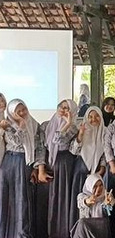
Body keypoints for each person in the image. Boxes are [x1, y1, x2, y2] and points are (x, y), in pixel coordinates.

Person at [0, 99, 51, 238]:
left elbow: (39, 148)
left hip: (24, 163)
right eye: (18, 111)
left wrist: (37, 167)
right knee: (6, 199)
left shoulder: (34, 124)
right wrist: (21, 125)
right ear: (12, 112)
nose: (22, 113)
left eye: (24, 109)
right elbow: (16, 141)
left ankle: (22, 234)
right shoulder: (7, 124)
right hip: (9, 163)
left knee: (23, 199)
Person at [41, 99, 79, 238]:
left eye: (67, 109)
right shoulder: (46, 124)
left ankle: (60, 231)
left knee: (61, 196)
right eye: (62, 107)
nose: (63, 110)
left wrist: (67, 123)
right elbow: (43, 145)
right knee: (49, 196)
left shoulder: (73, 127)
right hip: (49, 161)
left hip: (64, 162)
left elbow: (57, 140)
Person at [69, 106, 107, 230]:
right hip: (81, 170)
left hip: (96, 173)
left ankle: (94, 229)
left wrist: (102, 168)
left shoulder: (105, 132)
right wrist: (80, 135)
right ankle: (78, 229)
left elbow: (105, 153)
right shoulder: (83, 130)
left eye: (96, 116)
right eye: (90, 117)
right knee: (81, 201)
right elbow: (73, 151)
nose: (93, 119)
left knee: (97, 202)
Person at [71, 174, 114, 238]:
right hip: (86, 227)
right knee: (82, 223)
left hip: (101, 227)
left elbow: (108, 213)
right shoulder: (82, 196)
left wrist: (107, 204)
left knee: (82, 223)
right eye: (95, 186)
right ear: (90, 186)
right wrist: (88, 201)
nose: (99, 188)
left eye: (101, 185)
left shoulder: (107, 196)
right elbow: (81, 204)